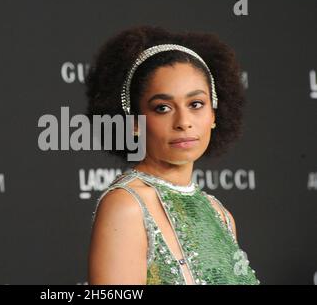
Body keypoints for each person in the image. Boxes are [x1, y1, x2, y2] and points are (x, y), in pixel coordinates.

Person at [86, 25, 260, 285]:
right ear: (134, 122)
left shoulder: (220, 214)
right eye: (163, 108)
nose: (183, 122)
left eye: (196, 104)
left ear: (213, 114)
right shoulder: (127, 206)